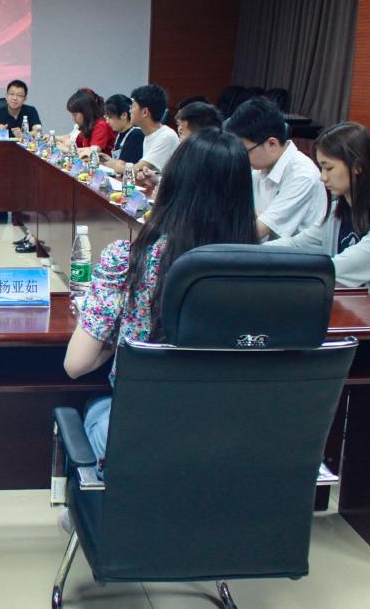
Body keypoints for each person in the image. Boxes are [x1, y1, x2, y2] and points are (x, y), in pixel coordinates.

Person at [63, 129, 259, 471]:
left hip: (146, 433)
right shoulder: (264, 271)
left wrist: (117, 335)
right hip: (239, 441)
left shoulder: (130, 259)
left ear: (171, 188)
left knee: (97, 412)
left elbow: (75, 364)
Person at [269, 122, 370, 318]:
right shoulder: (339, 212)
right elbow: (296, 245)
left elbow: (336, 270)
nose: (322, 177)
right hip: (365, 314)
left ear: (357, 166)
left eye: (329, 168)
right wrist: (248, 254)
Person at [225, 96, 327, 240]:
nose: (242, 158)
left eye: (245, 151)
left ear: (272, 144)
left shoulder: (302, 175)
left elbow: (258, 230)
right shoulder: (261, 166)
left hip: (294, 253)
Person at [129, 84, 180, 184]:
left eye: (133, 106)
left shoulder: (166, 136)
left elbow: (135, 171)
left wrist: (115, 166)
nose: (130, 110)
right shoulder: (149, 134)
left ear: (145, 112)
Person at [98, 94, 144, 175]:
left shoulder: (136, 134)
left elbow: (121, 167)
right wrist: (109, 160)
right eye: (106, 117)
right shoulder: (120, 133)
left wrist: (110, 163)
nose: (107, 121)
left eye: (110, 117)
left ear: (124, 115)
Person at [60, 88, 114, 157]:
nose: (73, 118)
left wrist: (65, 149)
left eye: (75, 115)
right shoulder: (86, 126)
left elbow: (93, 150)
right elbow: (76, 146)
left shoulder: (101, 125)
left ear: (86, 112)